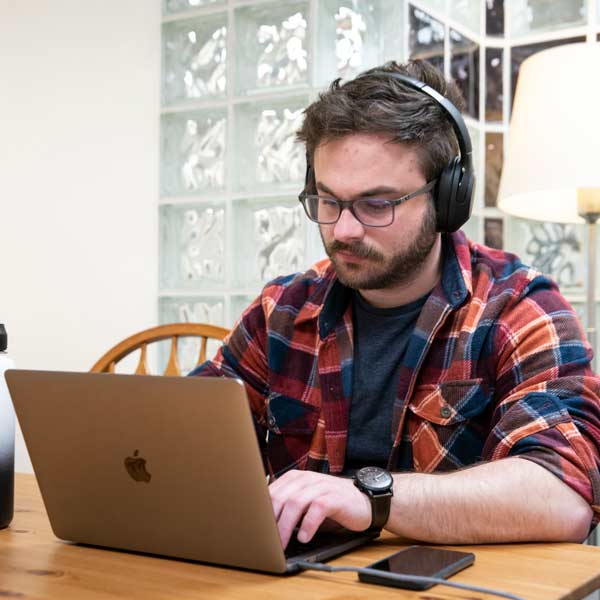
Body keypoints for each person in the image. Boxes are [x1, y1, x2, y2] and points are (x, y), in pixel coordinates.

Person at [191, 60, 600, 549]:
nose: (343, 230)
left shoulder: (518, 309)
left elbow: (562, 495)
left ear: (448, 199)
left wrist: (371, 500)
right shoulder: (281, 309)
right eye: (327, 200)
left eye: (376, 204)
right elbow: (188, 438)